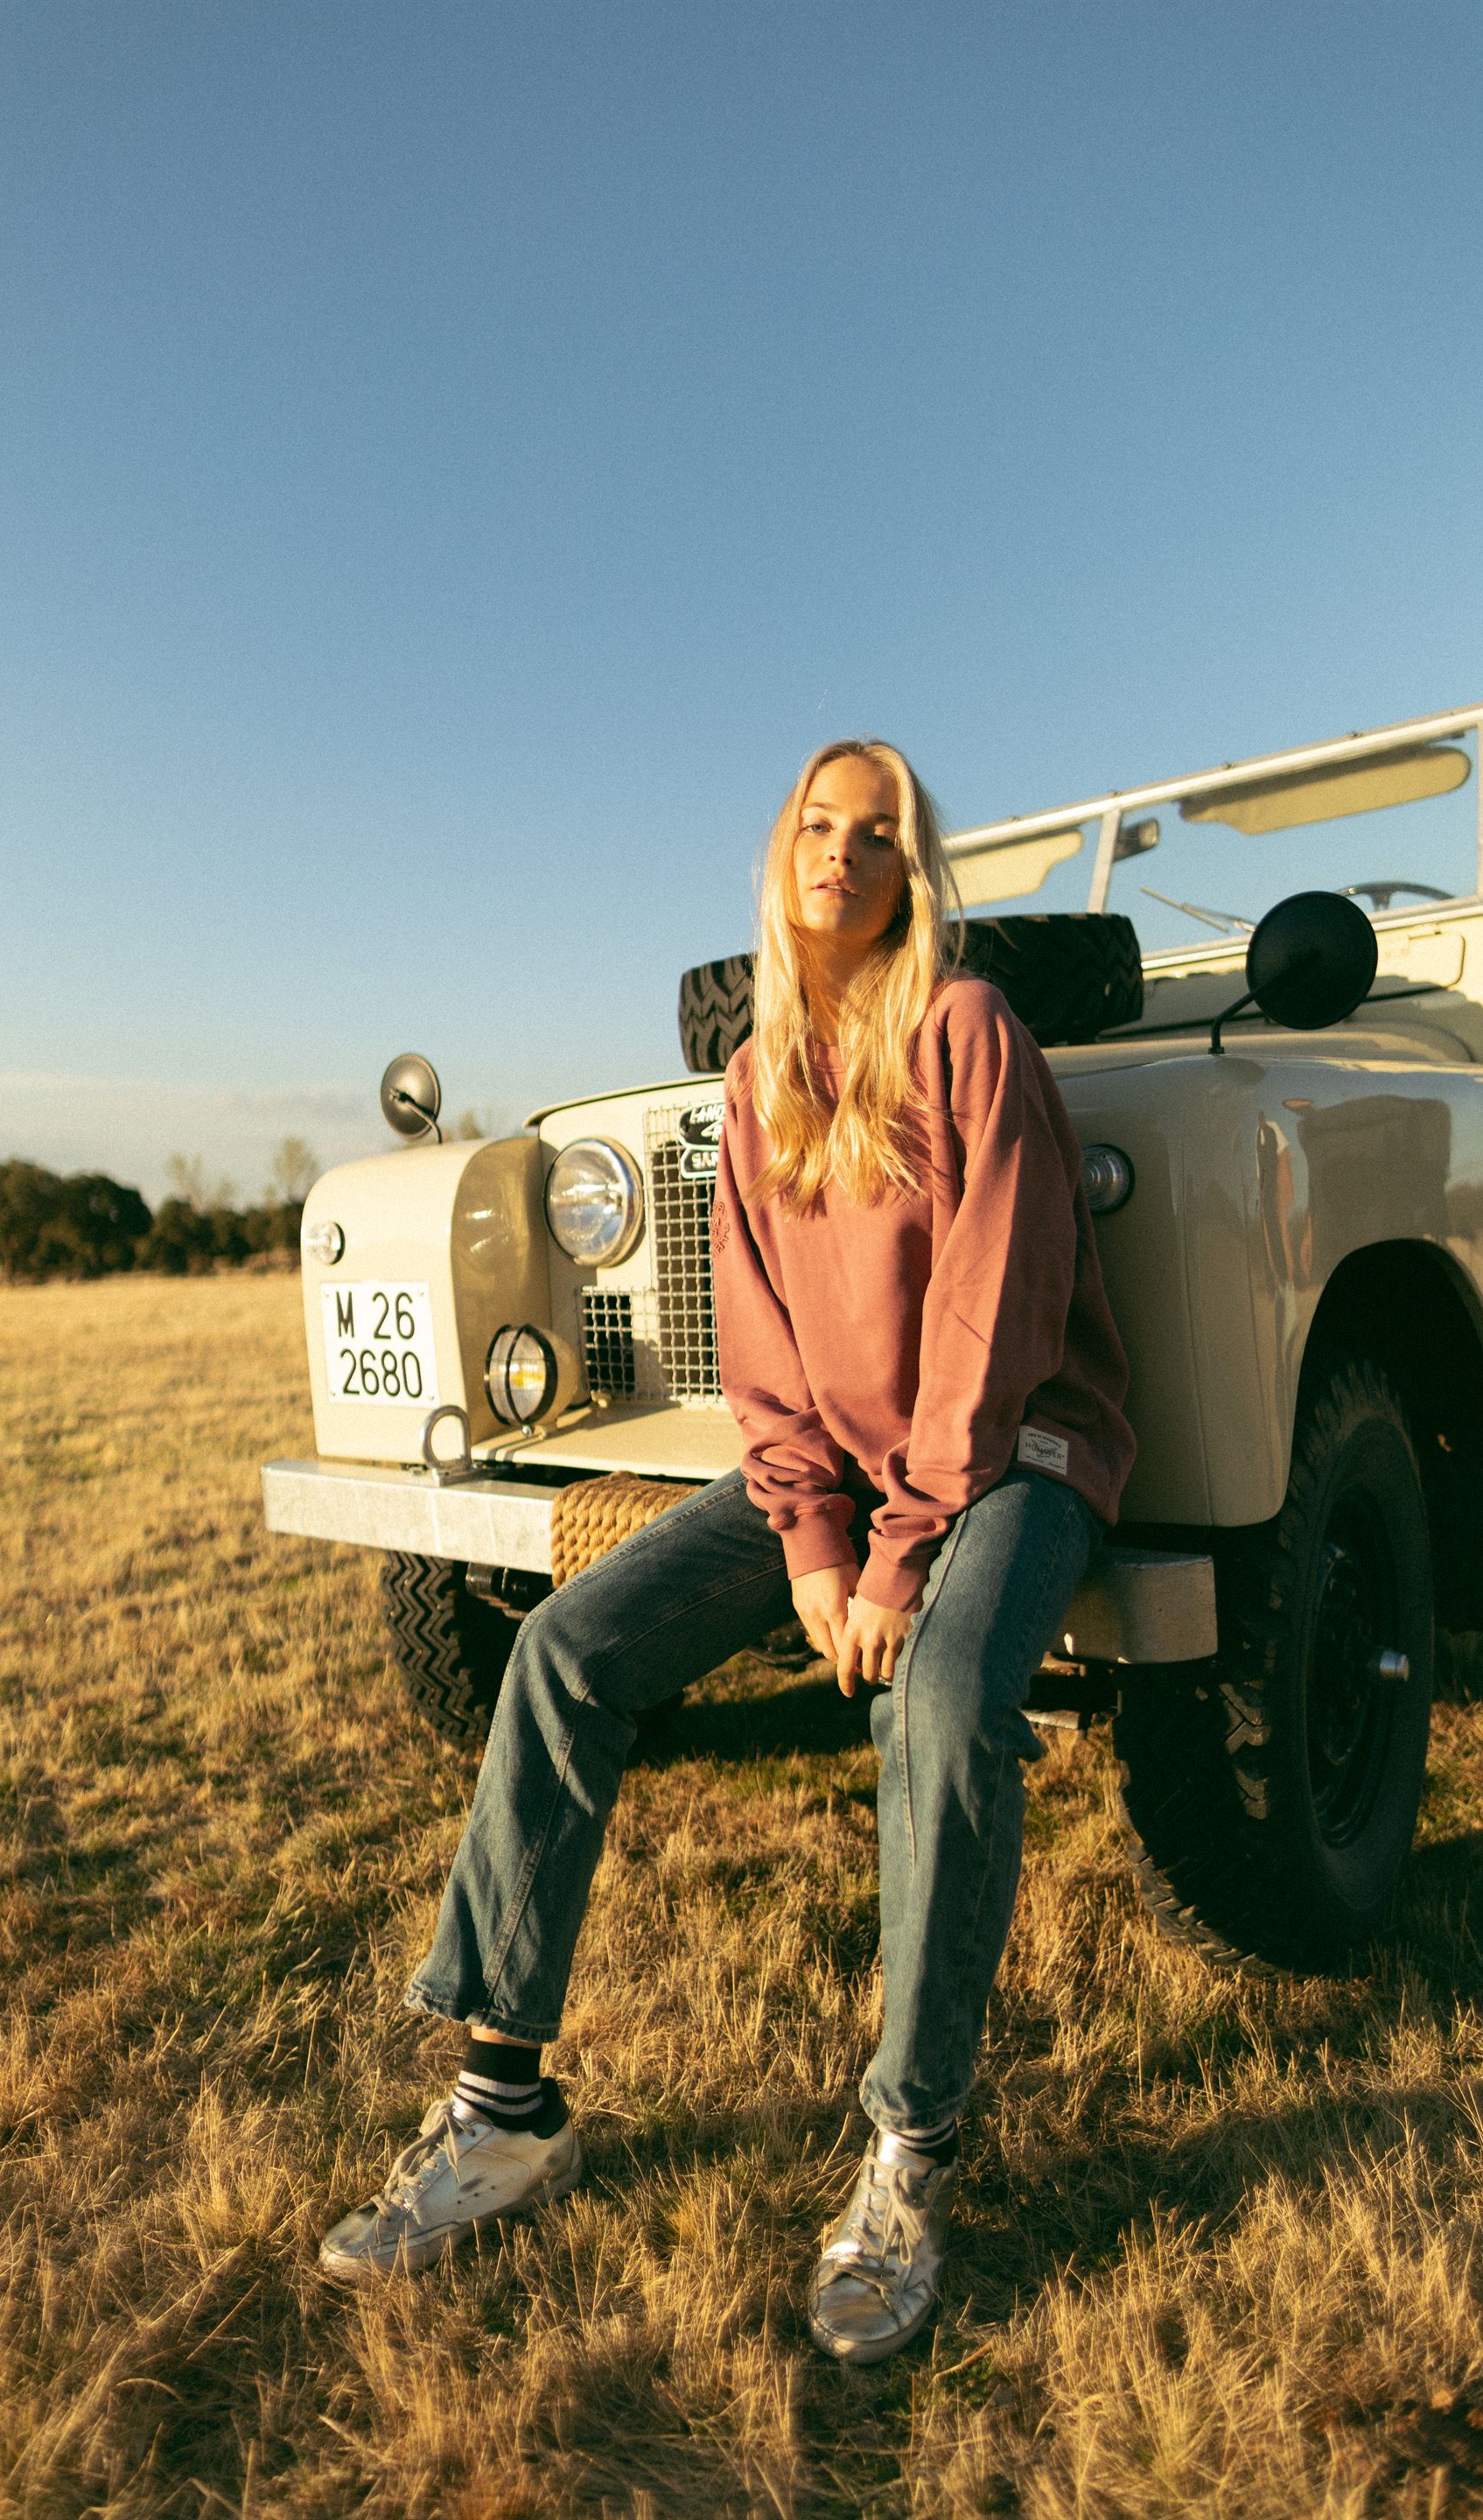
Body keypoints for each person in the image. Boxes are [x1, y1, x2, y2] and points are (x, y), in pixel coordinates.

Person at [318, 739, 1136, 2362]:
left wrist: (896, 1561)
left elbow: (994, 1310)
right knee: (563, 1655)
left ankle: (908, 2155)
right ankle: (502, 2107)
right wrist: (813, 1534)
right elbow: (764, 1355)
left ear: (911, 873)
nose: (843, 853)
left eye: (878, 834)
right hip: (841, 1466)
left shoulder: (971, 1033)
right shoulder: (758, 1082)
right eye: (818, 827)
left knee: (953, 1697)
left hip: (1020, 1444)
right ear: (784, 861)